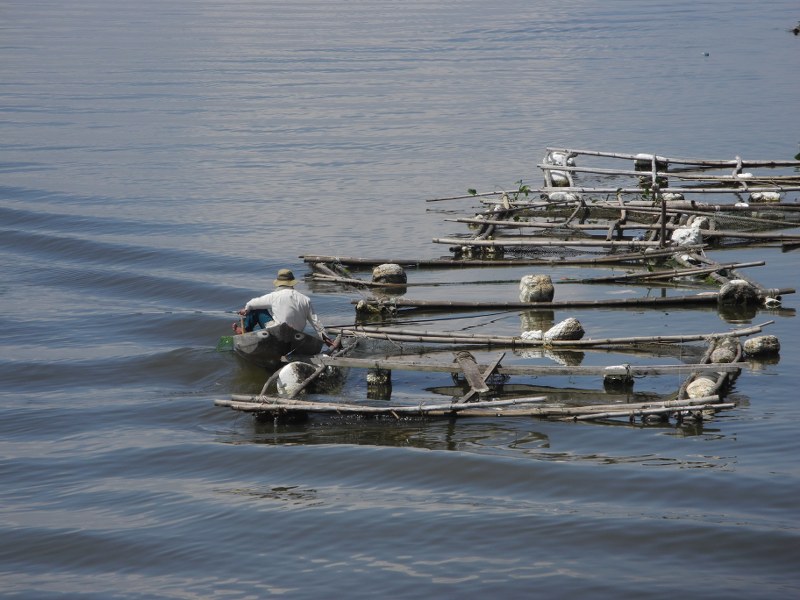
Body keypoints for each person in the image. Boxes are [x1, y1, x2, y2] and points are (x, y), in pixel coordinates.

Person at [233, 268, 334, 346]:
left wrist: (246, 309)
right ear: (292, 283)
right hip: (295, 335)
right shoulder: (305, 299)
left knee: (256, 309)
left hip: (278, 333)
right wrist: (325, 338)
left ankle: (245, 330)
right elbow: (315, 321)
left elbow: (251, 303)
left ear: (279, 284)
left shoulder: (274, 296)